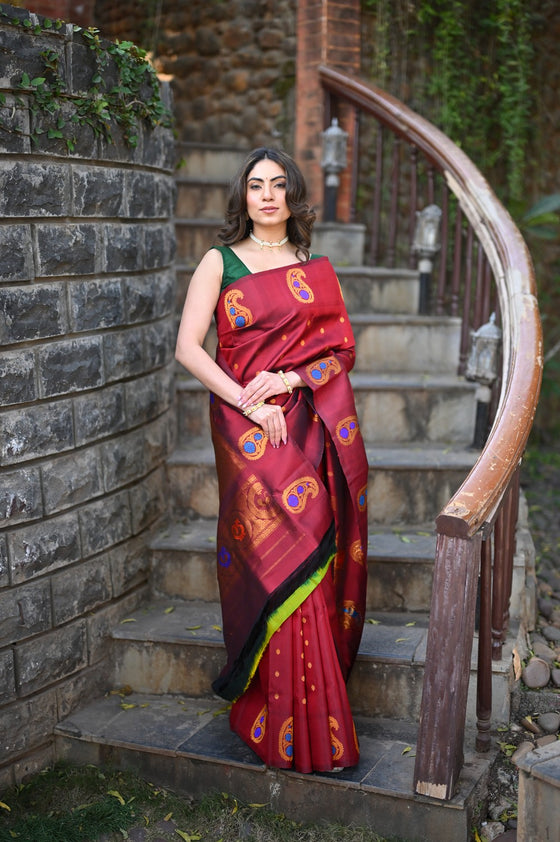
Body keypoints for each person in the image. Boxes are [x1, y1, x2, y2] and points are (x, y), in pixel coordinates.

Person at [175, 147, 368, 773]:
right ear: (243, 196)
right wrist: (249, 402)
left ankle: (314, 724)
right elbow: (188, 349)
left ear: (293, 196)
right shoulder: (219, 261)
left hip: (302, 421)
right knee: (275, 552)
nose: (267, 196)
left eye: (278, 185)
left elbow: (339, 350)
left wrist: (288, 379)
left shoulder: (311, 268)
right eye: (256, 185)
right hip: (243, 426)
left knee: (309, 548)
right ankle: (272, 716)